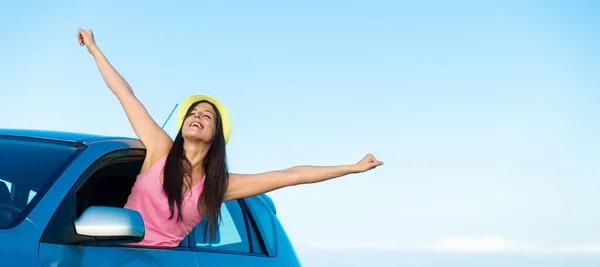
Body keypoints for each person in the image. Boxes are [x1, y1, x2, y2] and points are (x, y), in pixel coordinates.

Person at [76, 27, 384, 248]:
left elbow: (292, 175)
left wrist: (351, 168)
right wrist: (94, 49)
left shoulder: (218, 185)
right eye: (192, 113)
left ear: (215, 136)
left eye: (206, 116)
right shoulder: (160, 149)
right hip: (113, 255)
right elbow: (125, 94)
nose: (196, 116)